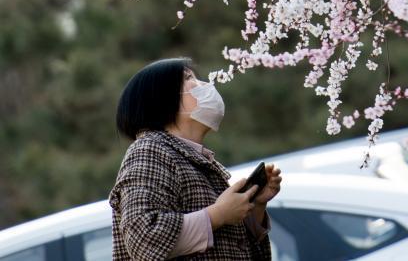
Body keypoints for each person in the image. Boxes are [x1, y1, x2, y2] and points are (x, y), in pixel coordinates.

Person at [109, 58, 282, 260]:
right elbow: (142, 236)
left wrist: (254, 208)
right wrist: (218, 214)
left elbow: (227, 245)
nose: (205, 85)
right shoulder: (149, 150)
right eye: (189, 78)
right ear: (163, 98)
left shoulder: (195, 159)